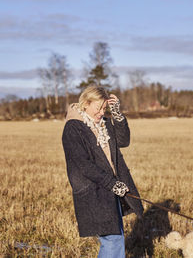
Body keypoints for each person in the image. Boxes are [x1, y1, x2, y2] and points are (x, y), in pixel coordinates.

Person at [62, 85, 144, 257]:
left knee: (116, 238)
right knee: (113, 240)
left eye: (104, 108)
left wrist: (117, 114)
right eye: (98, 108)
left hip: (112, 188)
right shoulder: (73, 128)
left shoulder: (104, 124)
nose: (101, 112)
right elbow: (82, 164)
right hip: (93, 191)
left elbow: (123, 141)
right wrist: (112, 184)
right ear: (85, 103)